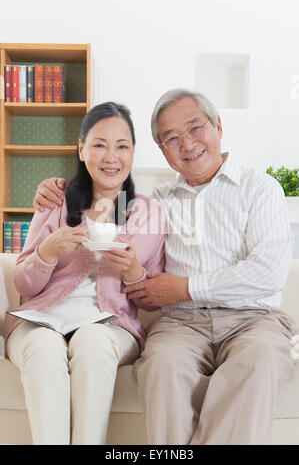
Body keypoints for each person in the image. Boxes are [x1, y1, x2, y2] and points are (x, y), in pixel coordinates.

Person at [33, 89, 297, 446]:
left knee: (261, 360)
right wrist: (57, 188)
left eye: (194, 128)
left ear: (217, 125)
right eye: (171, 138)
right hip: (181, 325)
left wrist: (184, 288)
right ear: (162, 151)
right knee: (162, 364)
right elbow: (100, 196)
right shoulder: (154, 203)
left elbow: (267, 272)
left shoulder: (260, 188)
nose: (186, 144)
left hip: (254, 320)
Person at [3, 102, 166, 445]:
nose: (111, 156)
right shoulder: (56, 200)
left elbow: (154, 301)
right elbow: (23, 283)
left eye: (122, 145)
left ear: (133, 152)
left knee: (93, 341)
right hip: (41, 318)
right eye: (99, 144)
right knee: (44, 349)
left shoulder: (150, 212)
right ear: (81, 149)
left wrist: (134, 272)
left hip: (111, 325)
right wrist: (47, 252)